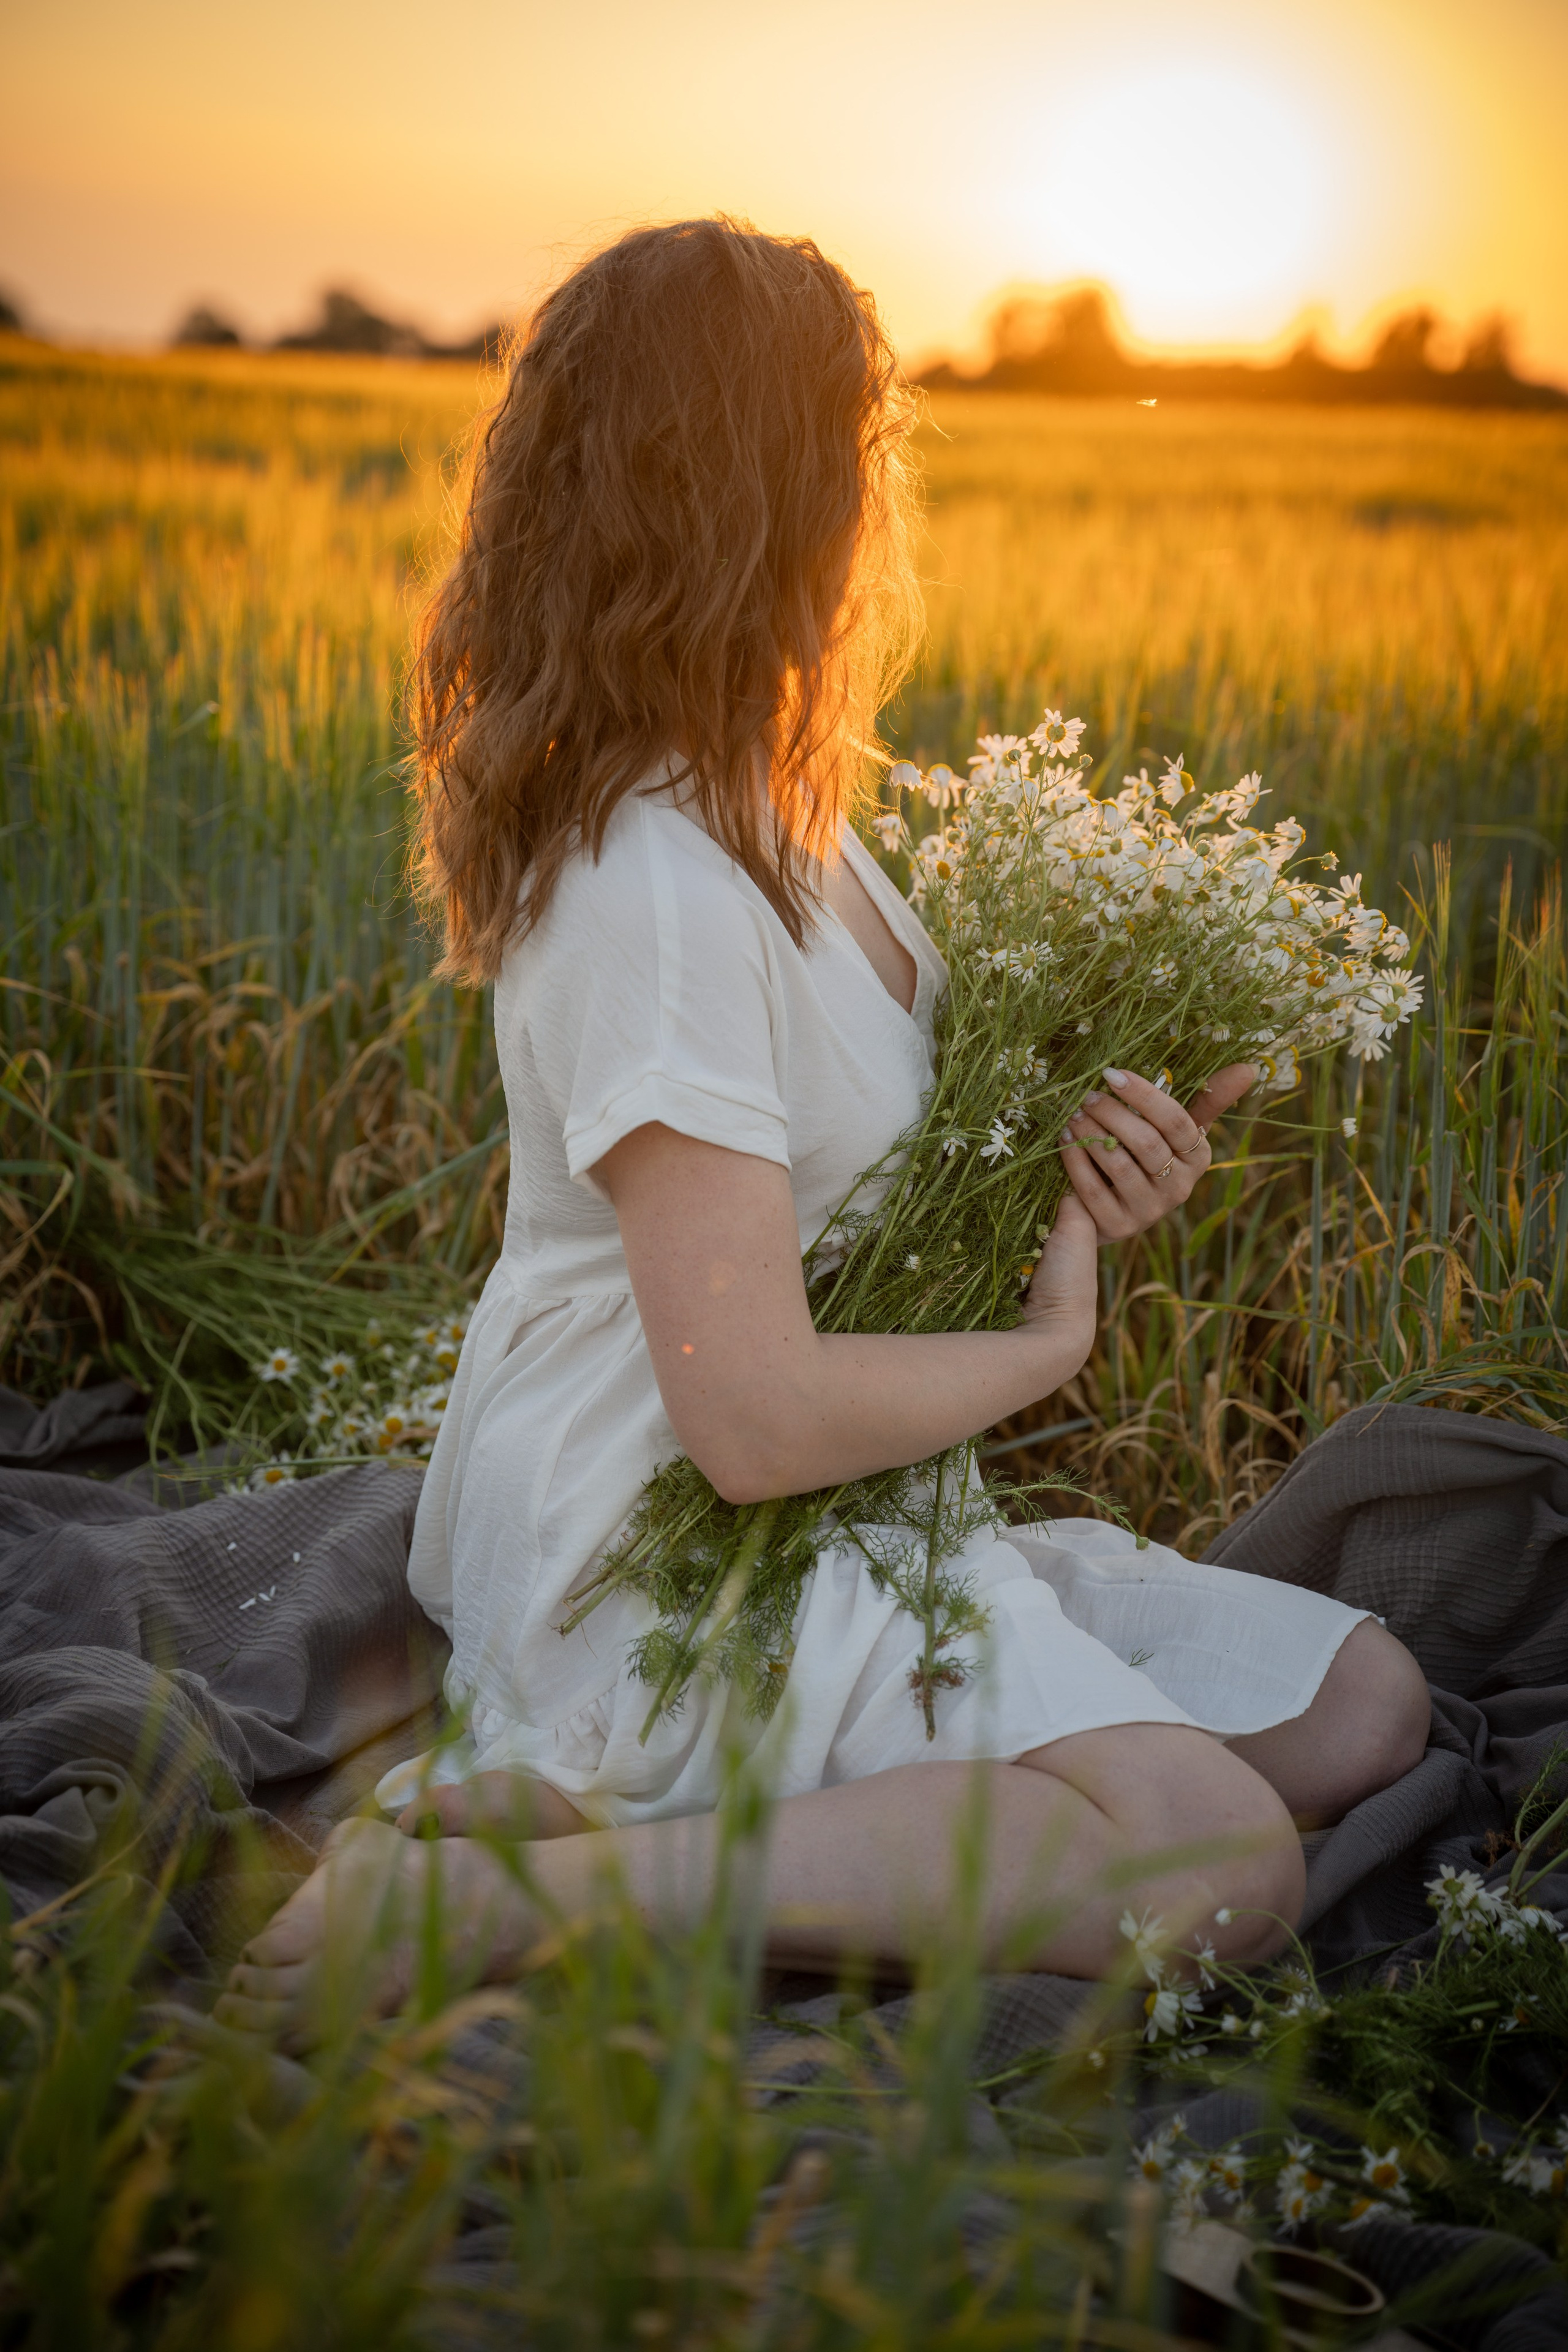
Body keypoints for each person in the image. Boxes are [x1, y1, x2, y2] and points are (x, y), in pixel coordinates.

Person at [218, 220, 1428, 2038]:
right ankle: (532, 1892)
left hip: (850, 1489)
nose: (882, 501)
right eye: (858, 449)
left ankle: (727, 1811)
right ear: (762, 492)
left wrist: (1107, 1156)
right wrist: (1048, 1345)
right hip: (668, 1522)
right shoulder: (650, 874)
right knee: (1227, 1871)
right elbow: (754, 1416)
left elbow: (868, 1182)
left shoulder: (790, 808)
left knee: (1362, 1710)